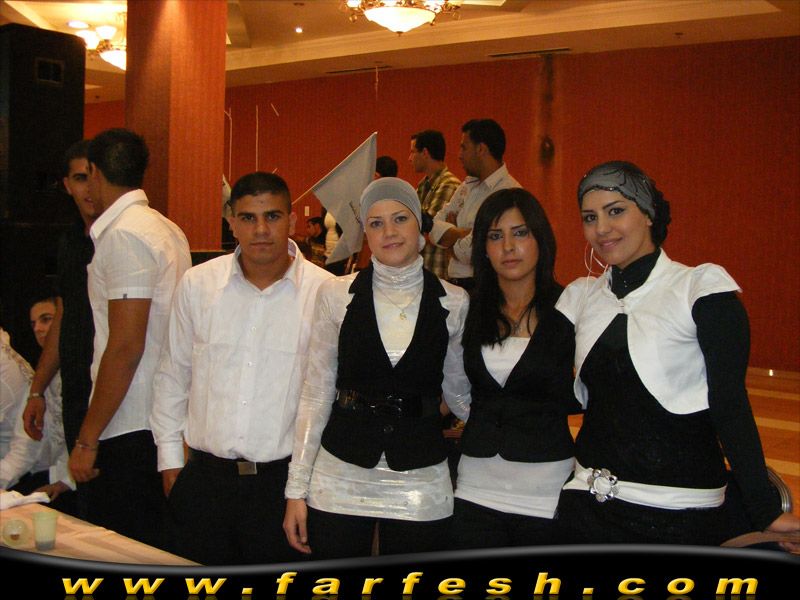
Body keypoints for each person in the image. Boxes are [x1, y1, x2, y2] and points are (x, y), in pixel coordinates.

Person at [555, 160, 800, 548]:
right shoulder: (581, 297)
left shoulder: (700, 289)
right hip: (587, 506)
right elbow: (543, 385)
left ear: (648, 213)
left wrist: (764, 509)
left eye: (615, 211)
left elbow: (730, 404)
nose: (601, 229)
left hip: (680, 512)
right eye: (590, 217)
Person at [283, 177, 471, 559]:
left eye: (400, 218)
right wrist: (295, 490)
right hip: (339, 472)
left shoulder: (454, 302)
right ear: (365, 233)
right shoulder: (334, 295)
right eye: (376, 222)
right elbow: (316, 392)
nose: (389, 232)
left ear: (419, 225)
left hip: (421, 474)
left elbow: (459, 395)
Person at [151, 172, 332, 565]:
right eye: (248, 218)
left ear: (292, 221)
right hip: (204, 481)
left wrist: (303, 488)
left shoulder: (326, 293)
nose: (261, 230)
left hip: (284, 487)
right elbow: (172, 376)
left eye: (272, 216)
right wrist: (170, 460)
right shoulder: (198, 285)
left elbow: (328, 396)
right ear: (231, 221)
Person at [68, 128, 191, 548]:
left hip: (132, 422)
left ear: (94, 172)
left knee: (124, 549)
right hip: (160, 415)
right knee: (152, 548)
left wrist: (87, 438)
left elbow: (125, 347)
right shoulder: (166, 228)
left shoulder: (125, 234)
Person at [450, 188, 579, 549]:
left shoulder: (570, 308)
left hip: (546, 492)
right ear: (483, 248)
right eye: (495, 236)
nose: (508, 246)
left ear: (541, 239)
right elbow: (455, 387)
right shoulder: (469, 310)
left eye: (520, 233)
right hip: (474, 489)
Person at [22, 140, 98, 518]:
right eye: (80, 178)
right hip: (76, 390)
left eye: (95, 177)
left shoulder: (125, 237)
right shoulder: (70, 242)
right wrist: (37, 390)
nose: (90, 188)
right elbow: (64, 317)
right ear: (67, 185)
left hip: (122, 398)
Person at [1, 296, 74, 510]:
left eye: (46, 319)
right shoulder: (42, 377)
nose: (38, 329)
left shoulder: (80, 370)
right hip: (44, 471)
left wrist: (65, 480)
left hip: (69, 474)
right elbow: (26, 441)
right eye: (34, 323)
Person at [430, 119, 520, 291]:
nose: (459, 155)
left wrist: (449, 238)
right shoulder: (467, 186)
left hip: (485, 288)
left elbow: (472, 252)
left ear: (481, 149)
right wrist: (464, 233)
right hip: (456, 286)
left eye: (464, 147)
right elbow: (433, 228)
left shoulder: (508, 193)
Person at [409, 129, 461, 280]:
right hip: (422, 273)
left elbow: (430, 229)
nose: (409, 158)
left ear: (425, 152)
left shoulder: (449, 184)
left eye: (412, 152)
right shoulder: (423, 186)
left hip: (438, 274)